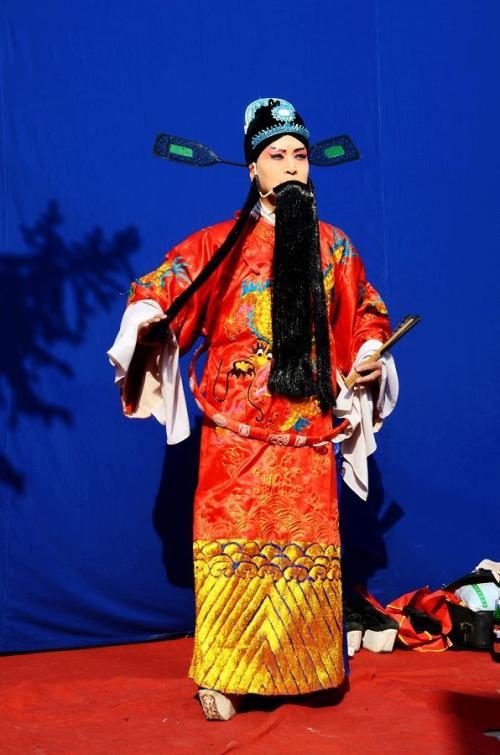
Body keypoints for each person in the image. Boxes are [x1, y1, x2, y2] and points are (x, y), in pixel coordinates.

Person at [108, 98, 398, 720]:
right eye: (276, 155)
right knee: (233, 550)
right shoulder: (219, 243)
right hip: (236, 432)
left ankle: (304, 670)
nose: (291, 166)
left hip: (307, 429)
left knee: (303, 551)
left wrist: (370, 351)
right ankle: (224, 677)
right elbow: (162, 285)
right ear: (252, 169)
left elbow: (367, 312)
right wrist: (149, 315)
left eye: (300, 155)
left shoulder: (334, 248)